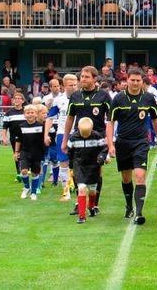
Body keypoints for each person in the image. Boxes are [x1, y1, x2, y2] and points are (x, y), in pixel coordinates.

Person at [107, 68, 157, 225]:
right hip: (123, 142)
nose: (135, 83)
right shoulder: (118, 99)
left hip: (141, 142)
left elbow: (156, 120)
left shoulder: (148, 98)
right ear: (127, 80)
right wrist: (110, 143)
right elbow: (110, 122)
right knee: (126, 177)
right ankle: (128, 205)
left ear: (142, 82)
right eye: (132, 80)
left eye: (138, 80)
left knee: (139, 176)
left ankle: (139, 213)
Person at [62, 67, 110, 214]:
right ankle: (79, 201)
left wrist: (109, 139)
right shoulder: (75, 96)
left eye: (87, 77)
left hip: (97, 139)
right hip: (79, 139)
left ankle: (94, 204)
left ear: (95, 79)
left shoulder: (103, 96)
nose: (83, 79)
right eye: (82, 76)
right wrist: (65, 139)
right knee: (77, 171)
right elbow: (70, 118)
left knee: (97, 170)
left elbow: (111, 119)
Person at [67, 117, 108, 224]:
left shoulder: (97, 136)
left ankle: (91, 207)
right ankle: (82, 216)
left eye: (87, 133)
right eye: (83, 133)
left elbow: (104, 149)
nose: (85, 136)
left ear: (92, 129)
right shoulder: (73, 138)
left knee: (92, 190)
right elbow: (70, 153)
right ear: (78, 129)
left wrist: (101, 157)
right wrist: (71, 166)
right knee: (81, 188)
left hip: (93, 165)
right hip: (79, 165)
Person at [49, 73, 78, 201]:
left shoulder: (81, 98)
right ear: (64, 86)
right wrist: (46, 134)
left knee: (77, 164)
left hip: (78, 134)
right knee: (63, 163)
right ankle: (66, 192)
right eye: (71, 85)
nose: (74, 87)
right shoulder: (58, 100)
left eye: (75, 84)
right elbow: (49, 117)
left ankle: (77, 187)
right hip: (62, 134)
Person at [14, 104, 45, 201]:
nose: (30, 114)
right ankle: (27, 187)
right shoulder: (21, 126)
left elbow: (44, 140)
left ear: (36, 114)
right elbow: (18, 140)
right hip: (25, 152)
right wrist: (16, 152)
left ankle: (34, 193)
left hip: (37, 153)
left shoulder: (41, 126)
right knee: (24, 171)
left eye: (32, 112)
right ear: (24, 115)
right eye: (28, 113)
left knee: (35, 173)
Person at [2, 92, 26, 182]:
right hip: (14, 138)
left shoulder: (26, 111)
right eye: (15, 98)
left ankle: (25, 171)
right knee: (17, 155)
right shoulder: (8, 113)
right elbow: (5, 127)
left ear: (22, 101)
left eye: (19, 98)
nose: (17, 100)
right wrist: (4, 137)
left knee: (26, 154)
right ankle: (19, 173)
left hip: (26, 137)